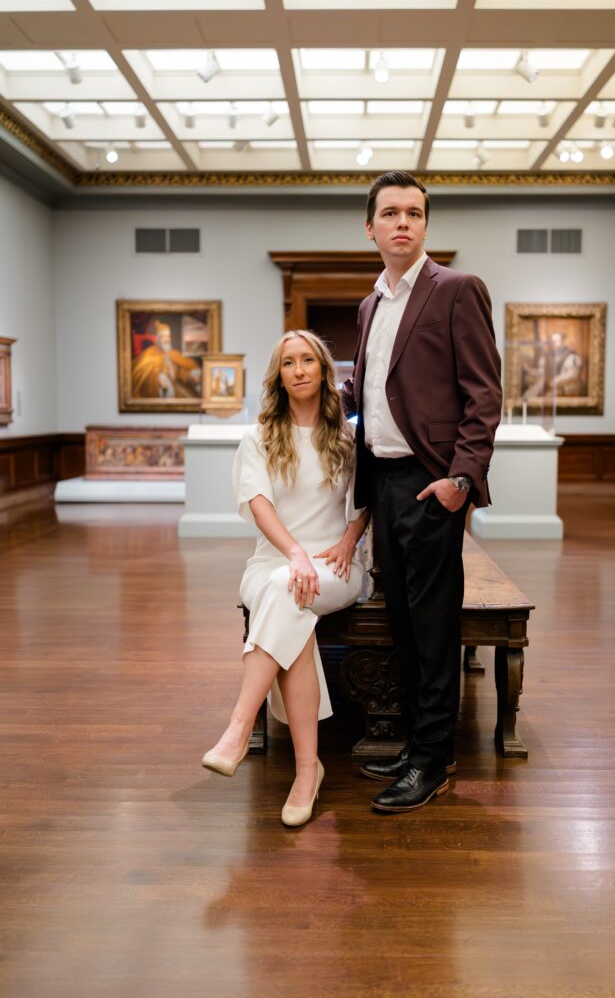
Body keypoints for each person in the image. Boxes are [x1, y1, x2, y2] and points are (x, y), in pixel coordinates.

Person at [342, 170, 502, 814]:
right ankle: (417, 743)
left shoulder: (458, 290)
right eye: (390, 213)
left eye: (414, 212)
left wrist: (460, 480)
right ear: (371, 227)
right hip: (380, 482)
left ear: (425, 225)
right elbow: (368, 389)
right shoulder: (370, 304)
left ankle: (433, 761)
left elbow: (484, 396)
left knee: (434, 628)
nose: (402, 222)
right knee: (403, 625)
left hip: (431, 483)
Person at [202, 330, 370, 827]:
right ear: (279, 375)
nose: (298, 370)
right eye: (288, 363)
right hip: (271, 562)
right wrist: (293, 554)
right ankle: (304, 772)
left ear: (323, 369)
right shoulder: (257, 437)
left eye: (307, 361)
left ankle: (237, 731)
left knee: (289, 595)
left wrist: (345, 543)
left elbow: (363, 504)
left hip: (336, 565)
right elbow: (259, 503)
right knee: (285, 593)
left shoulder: (348, 437)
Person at [131, 321, 201, 398]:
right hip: (163, 393)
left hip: (178, 387)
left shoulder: (173, 353)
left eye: (168, 336)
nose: (167, 339)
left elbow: (182, 370)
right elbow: (143, 379)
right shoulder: (148, 355)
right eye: (164, 336)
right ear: (158, 338)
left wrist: (191, 376)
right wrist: (159, 380)